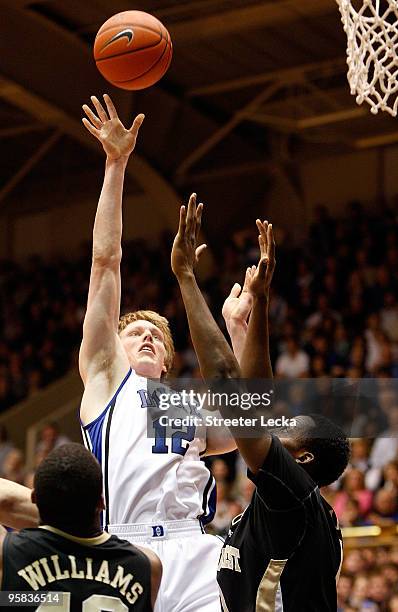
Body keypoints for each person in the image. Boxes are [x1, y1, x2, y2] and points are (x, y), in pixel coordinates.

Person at [79, 94, 237, 611]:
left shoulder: (189, 408)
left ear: (168, 361)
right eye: (136, 332)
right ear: (113, 351)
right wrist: (116, 164)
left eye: (157, 336)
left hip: (195, 551)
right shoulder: (107, 382)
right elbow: (106, 262)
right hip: (123, 548)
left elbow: (249, 425)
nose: (147, 336)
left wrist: (236, 329)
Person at [217, 220, 350, 611]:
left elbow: (253, 407)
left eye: (289, 428)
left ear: (302, 458)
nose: (278, 426)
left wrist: (260, 305)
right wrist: (238, 327)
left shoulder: (290, 499)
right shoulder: (295, 501)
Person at [0, 443, 161, 611]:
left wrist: (55, 505)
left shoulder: (8, 556)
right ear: (102, 502)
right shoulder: (147, 567)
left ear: (34, 498)